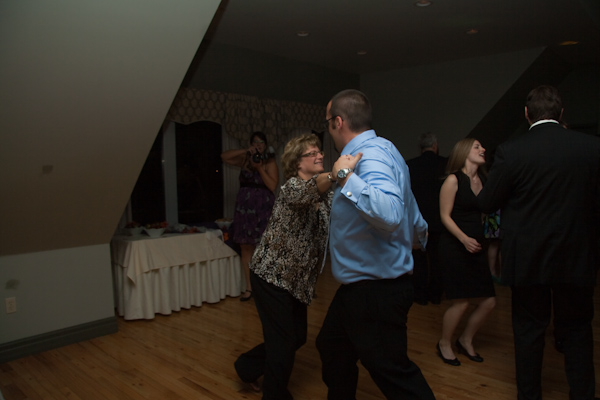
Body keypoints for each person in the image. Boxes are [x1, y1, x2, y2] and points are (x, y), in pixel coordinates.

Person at [477, 85, 599, 400]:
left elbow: (488, 203)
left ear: (527, 114)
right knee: (578, 329)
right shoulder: (590, 147)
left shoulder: (512, 150)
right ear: (561, 112)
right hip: (576, 255)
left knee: (529, 331)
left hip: (529, 258)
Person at [316, 89, 435, 400]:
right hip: (362, 285)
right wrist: (417, 237)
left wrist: (344, 176)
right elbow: (409, 206)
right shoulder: (387, 148)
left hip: (376, 290)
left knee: (394, 373)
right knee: (332, 347)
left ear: (338, 122)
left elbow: (392, 212)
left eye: (328, 123)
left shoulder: (368, 157)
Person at [234, 133, 351, 400]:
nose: (319, 155)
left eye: (320, 151)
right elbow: (310, 190)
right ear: (297, 162)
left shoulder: (324, 195)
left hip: (296, 282)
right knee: (283, 344)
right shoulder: (292, 188)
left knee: (297, 337)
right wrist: (336, 173)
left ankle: (247, 366)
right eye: (312, 153)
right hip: (271, 276)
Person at [436, 138, 496, 366]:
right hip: (454, 247)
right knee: (460, 302)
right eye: (477, 147)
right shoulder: (453, 180)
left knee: (489, 301)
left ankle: (465, 339)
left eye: (482, 146)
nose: (483, 149)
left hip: (475, 247)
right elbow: (444, 216)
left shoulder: (483, 180)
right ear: (464, 152)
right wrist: (464, 239)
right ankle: (444, 343)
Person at [221, 132, 279, 301]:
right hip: (244, 209)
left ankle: (267, 288)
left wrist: (260, 167)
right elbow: (224, 157)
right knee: (246, 247)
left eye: (261, 142)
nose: (258, 145)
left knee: (264, 247)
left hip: (263, 208)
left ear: (265, 145)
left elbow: (272, 185)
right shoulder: (245, 159)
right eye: (255, 142)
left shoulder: (269, 161)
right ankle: (249, 288)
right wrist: (245, 151)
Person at [406, 132, 448, 305]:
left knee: (419, 258)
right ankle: (436, 294)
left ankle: (420, 294)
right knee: (437, 258)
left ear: (420, 147)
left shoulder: (410, 165)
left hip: (418, 217)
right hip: (440, 218)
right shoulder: (446, 164)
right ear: (435, 146)